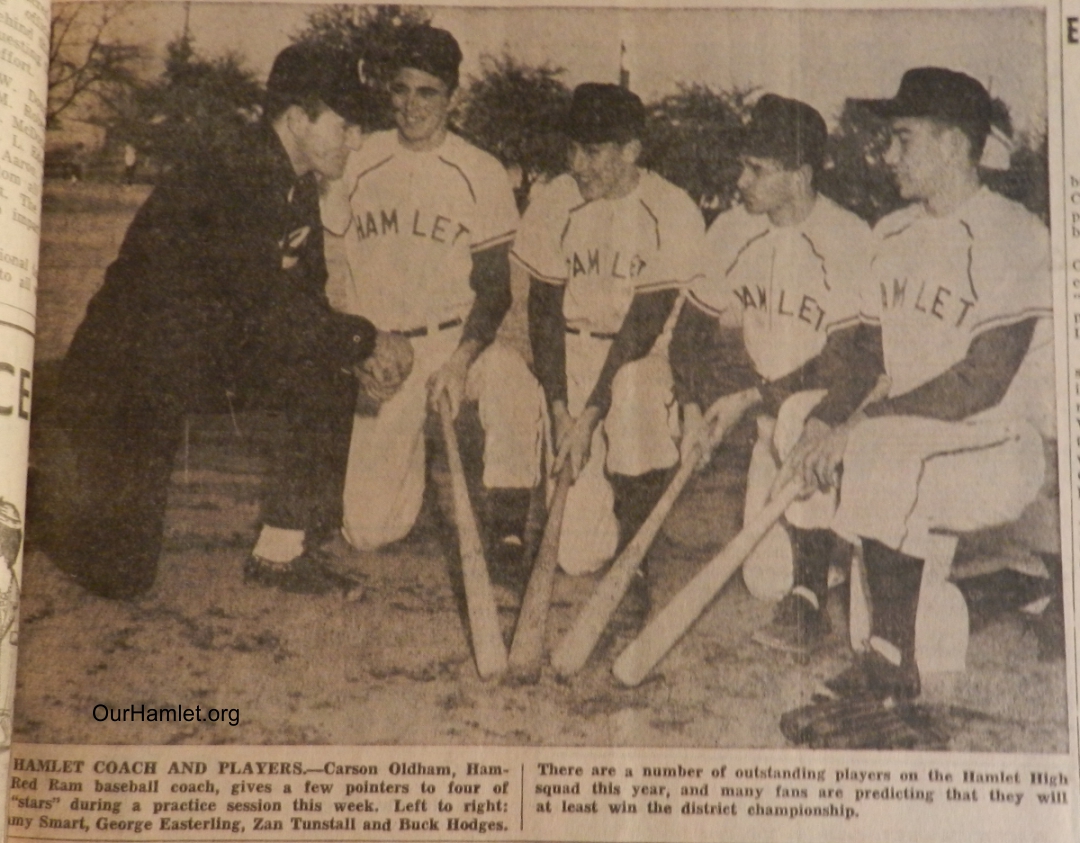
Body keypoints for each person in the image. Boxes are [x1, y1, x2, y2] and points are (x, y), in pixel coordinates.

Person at [42, 44, 413, 599]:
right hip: (129, 372)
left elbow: (302, 300)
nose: (355, 141)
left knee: (328, 368)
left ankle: (282, 554)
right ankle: (35, 491)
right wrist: (362, 337)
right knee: (120, 577)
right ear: (297, 118)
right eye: (346, 125)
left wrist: (354, 353)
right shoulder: (232, 172)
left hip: (204, 354)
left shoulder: (296, 180)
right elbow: (261, 311)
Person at [787, 67, 1055, 700]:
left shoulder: (1016, 235)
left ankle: (888, 668)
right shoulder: (891, 233)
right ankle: (1008, 589)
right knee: (809, 414)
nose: (888, 154)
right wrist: (827, 418)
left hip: (993, 447)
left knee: (880, 449)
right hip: (912, 445)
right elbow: (866, 356)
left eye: (903, 138)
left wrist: (858, 428)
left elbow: (979, 385)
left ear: (954, 147)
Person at [321, 26, 546, 559]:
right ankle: (409, 479)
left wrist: (463, 360)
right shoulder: (358, 159)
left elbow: (495, 289)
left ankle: (509, 530)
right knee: (367, 532)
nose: (411, 105)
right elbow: (330, 269)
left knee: (512, 380)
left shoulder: (481, 171)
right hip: (380, 349)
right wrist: (355, 348)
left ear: (452, 96)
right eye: (400, 90)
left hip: (451, 340)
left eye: (428, 92)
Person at [668, 94, 876, 650]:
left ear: (801, 175)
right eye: (743, 164)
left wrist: (747, 398)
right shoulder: (733, 231)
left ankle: (810, 602)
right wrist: (692, 408)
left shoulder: (850, 238)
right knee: (760, 581)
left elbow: (849, 363)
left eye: (757, 169)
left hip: (833, 418)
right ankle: (834, 546)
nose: (741, 180)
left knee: (793, 412)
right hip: (771, 421)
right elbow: (690, 333)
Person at [512, 82, 705, 579]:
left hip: (639, 362)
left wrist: (591, 414)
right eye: (572, 147)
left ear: (631, 151)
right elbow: (543, 312)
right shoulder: (555, 199)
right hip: (571, 356)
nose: (577, 162)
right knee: (575, 559)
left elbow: (642, 329)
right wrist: (559, 410)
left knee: (632, 388)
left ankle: (637, 541)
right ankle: (595, 518)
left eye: (592, 150)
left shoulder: (673, 208)